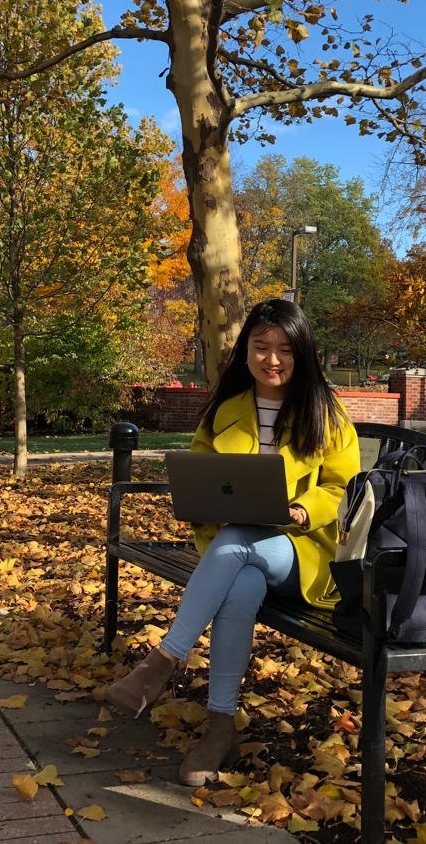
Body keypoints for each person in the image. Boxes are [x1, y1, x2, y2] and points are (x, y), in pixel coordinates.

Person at [104, 299, 360, 786]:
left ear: (303, 353)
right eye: (261, 346)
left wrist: (303, 510)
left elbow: (343, 488)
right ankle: (220, 728)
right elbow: (199, 477)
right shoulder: (225, 411)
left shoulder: (326, 413)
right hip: (234, 551)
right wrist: (205, 506)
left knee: (239, 539)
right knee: (241, 580)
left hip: (303, 551)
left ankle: (162, 662)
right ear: (245, 352)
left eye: (285, 349)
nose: (272, 359)